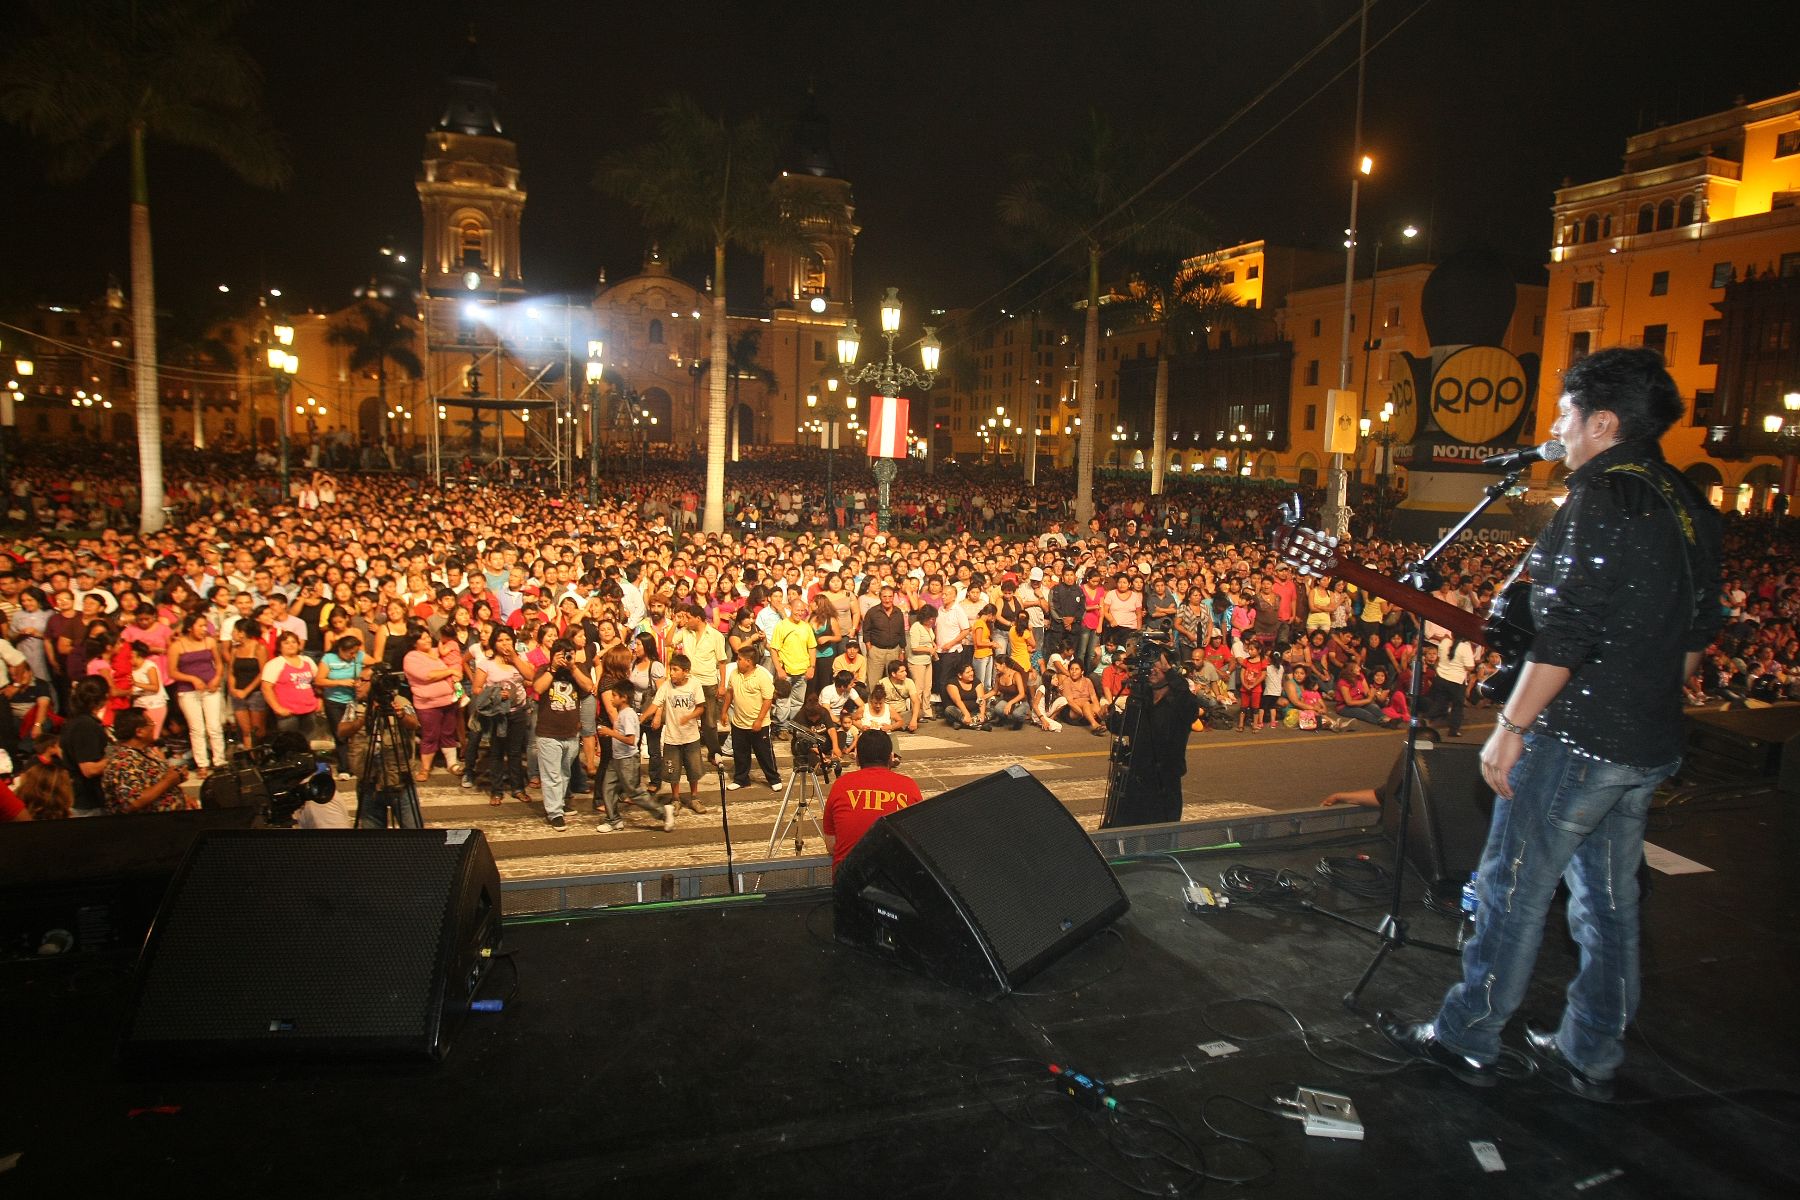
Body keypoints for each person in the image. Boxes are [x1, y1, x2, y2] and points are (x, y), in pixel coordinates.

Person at [1378, 347, 1722, 1101]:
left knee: (1511, 888)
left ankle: (1469, 1035)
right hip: (1648, 741)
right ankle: (1590, 1050)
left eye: (1566, 413)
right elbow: (1695, 643)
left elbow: (1566, 633)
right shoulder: (1689, 503)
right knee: (1607, 902)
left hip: (1578, 739)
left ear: (1603, 421)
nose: (1558, 428)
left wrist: (1511, 725)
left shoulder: (1599, 498)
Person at [1103, 646, 1201, 827]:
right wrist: (1110, 717)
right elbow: (1126, 725)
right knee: (1122, 835)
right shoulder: (1141, 697)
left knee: (1159, 841)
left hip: (1164, 784)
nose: (1153, 669)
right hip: (1135, 781)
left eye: (1158, 664)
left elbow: (1191, 707)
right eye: (1150, 664)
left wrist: (1168, 669)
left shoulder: (1179, 701)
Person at [821, 730, 923, 875]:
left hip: (847, 886)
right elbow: (918, 840)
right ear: (891, 758)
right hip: (895, 885)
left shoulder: (841, 785)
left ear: (857, 759)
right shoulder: (909, 786)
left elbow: (831, 846)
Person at [337, 662, 422, 829]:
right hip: (368, 784)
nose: (357, 684)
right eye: (357, 680)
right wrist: (363, 718)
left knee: (415, 835)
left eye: (363, 680)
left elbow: (414, 724)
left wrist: (400, 715)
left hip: (400, 782)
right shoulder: (356, 706)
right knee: (374, 841)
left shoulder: (399, 702)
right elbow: (342, 731)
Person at [530, 637, 590, 831]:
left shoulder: (576, 670)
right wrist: (553, 669)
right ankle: (554, 813)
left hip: (571, 733)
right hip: (548, 733)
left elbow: (588, 686)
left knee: (564, 773)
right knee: (551, 775)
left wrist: (572, 668)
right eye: (561, 655)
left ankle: (560, 805)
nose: (565, 658)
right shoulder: (544, 670)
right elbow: (538, 688)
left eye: (568, 654)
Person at [594, 678, 670, 832]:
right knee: (607, 787)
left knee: (634, 792)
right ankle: (613, 819)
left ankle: (663, 812)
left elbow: (631, 740)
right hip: (617, 759)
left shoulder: (627, 715)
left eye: (614, 695)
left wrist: (610, 733)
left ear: (624, 698)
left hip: (627, 760)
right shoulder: (623, 713)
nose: (611, 698)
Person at [648, 652, 708, 814]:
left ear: (686, 671)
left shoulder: (695, 684)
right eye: (671, 669)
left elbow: (701, 707)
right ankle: (676, 799)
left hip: (691, 736)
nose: (672, 673)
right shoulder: (667, 686)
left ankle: (694, 797)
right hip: (672, 737)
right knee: (673, 771)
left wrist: (689, 716)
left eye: (675, 669)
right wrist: (643, 717)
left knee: (693, 770)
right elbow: (656, 704)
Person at [103, 708, 193, 814]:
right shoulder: (123, 761)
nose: (154, 727)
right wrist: (168, 781)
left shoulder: (147, 752)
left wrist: (183, 795)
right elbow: (132, 802)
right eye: (151, 723)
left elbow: (160, 782)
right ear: (139, 732)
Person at [723, 643, 781, 791]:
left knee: (764, 753)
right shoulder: (734, 674)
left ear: (748, 661)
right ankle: (741, 779)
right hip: (739, 722)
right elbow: (729, 692)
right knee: (740, 753)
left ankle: (774, 779)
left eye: (739, 659)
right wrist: (723, 712)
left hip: (758, 724)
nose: (737, 661)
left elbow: (768, 699)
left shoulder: (762, 676)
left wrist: (759, 720)